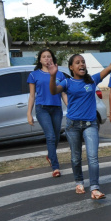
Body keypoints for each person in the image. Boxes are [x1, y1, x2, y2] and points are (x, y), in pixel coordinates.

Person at [49, 39, 111, 199]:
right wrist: (53, 76)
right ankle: (79, 182)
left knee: (93, 157)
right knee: (76, 157)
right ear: (71, 67)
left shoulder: (92, 80)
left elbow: (110, 67)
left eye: (83, 62)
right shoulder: (67, 82)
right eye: (78, 62)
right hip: (73, 126)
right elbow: (53, 91)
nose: (82, 64)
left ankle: (94, 187)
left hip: (90, 125)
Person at [27, 48, 67, 178]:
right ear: (40, 60)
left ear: (52, 59)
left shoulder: (59, 74)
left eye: (49, 56)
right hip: (42, 108)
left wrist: (70, 107)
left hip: (56, 109)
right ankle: (55, 167)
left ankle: (50, 156)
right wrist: (29, 113)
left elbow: (63, 93)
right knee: (50, 136)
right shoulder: (34, 75)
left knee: (55, 136)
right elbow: (32, 96)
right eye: (44, 56)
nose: (47, 59)